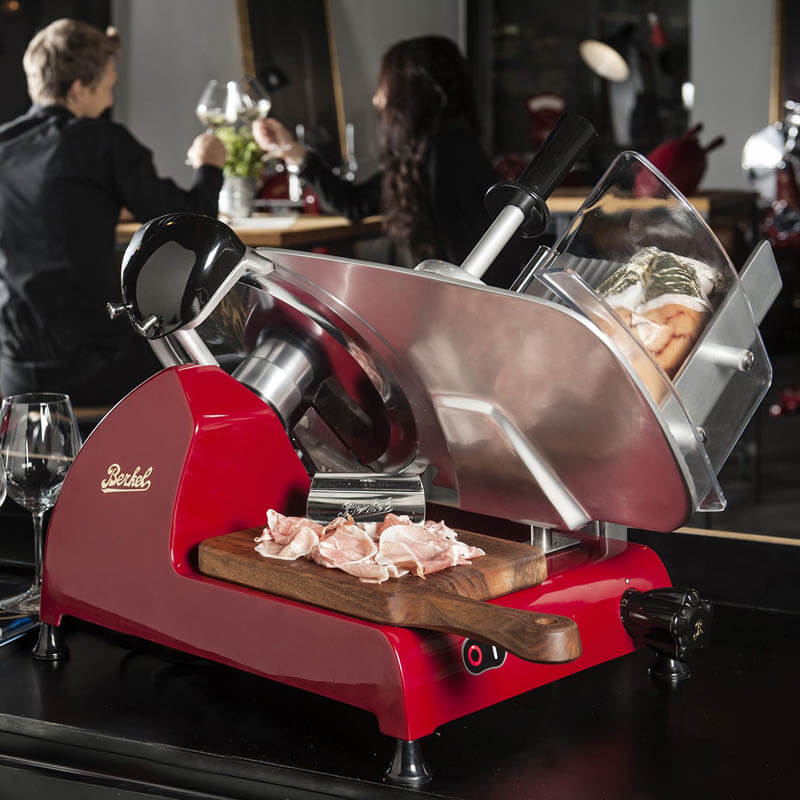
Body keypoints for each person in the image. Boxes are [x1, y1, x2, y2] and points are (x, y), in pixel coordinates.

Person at [0, 18, 226, 405]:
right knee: (212, 360)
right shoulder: (104, 143)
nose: (108, 101)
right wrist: (210, 166)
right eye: (107, 88)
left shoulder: (5, 144)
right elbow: (193, 224)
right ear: (78, 88)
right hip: (91, 365)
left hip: (14, 366)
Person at [252, 35, 532, 287]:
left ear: (412, 92)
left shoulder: (447, 153)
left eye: (385, 86)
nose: (377, 100)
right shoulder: (425, 155)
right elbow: (355, 204)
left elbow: (467, 265)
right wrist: (290, 149)